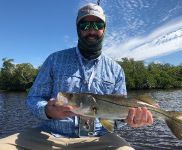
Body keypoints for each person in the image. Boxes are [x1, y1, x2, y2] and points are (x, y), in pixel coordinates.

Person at [0, 3, 153, 150]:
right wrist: (47, 110)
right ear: (77, 29)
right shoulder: (54, 60)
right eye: (85, 25)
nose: (91, 30)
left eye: (97, 25)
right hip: (48, 135)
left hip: (99, 138)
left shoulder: (116, 69)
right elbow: (33, 98)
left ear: (104, 29)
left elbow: (118, 120)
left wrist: (132, 120)